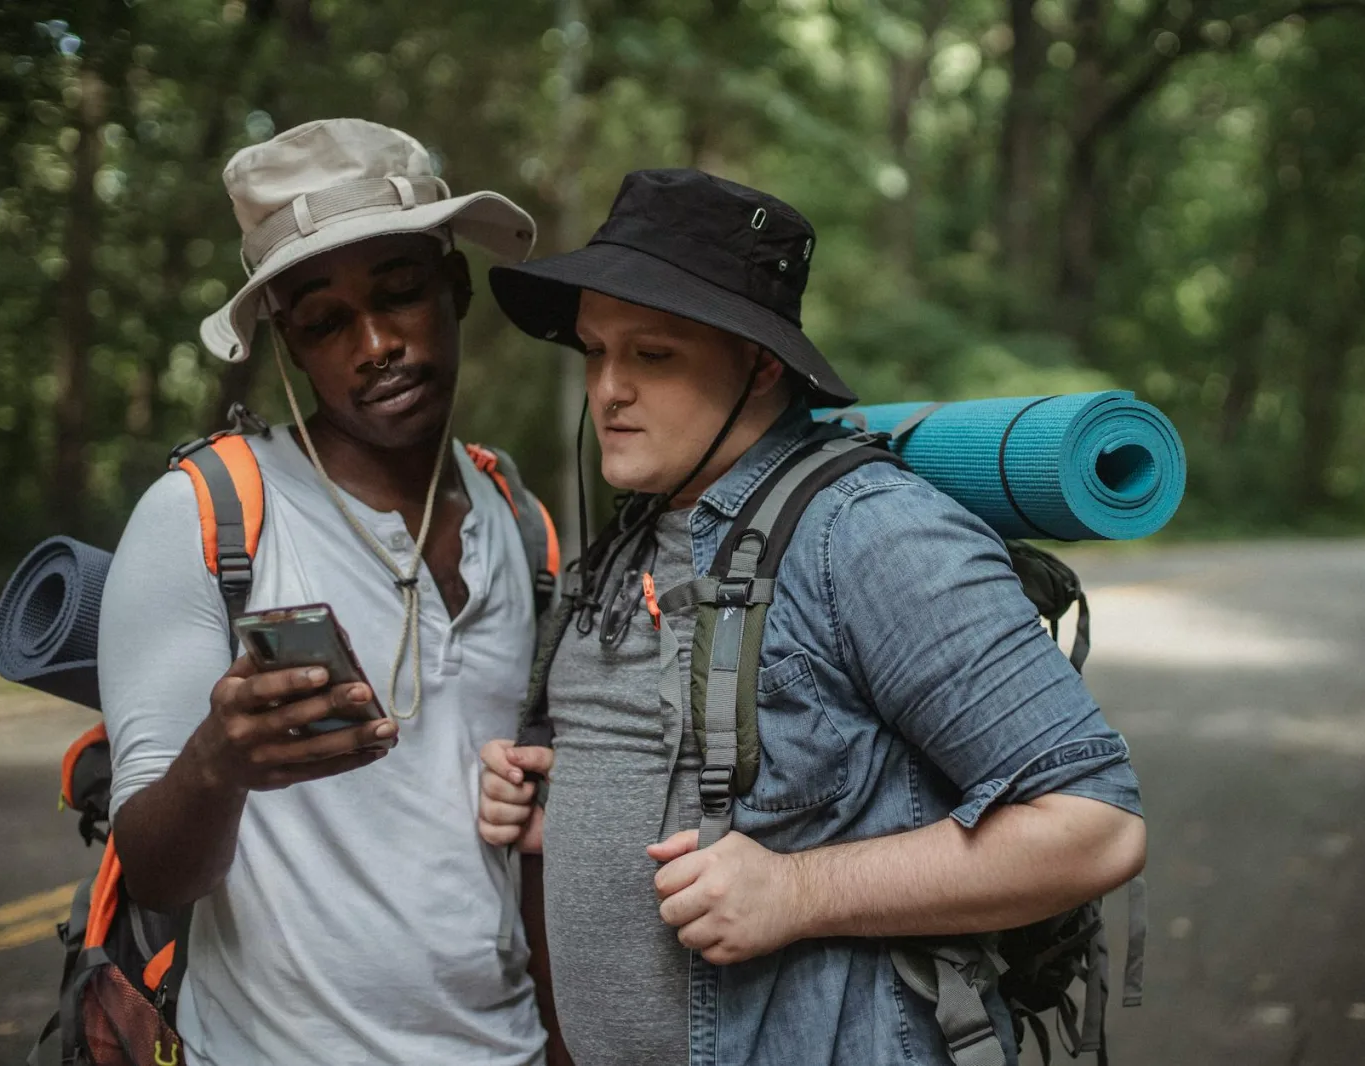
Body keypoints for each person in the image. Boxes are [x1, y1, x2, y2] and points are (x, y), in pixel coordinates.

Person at [480, 168, 1146, 1066]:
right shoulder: (639, 530)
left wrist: (798, 892)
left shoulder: (871, 534)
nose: (608, 390)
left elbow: (1095, 825)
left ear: (760, 364)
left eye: (653, 354)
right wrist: (559, 807)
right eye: (597, 351)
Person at [99, 118, 558, 1065]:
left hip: (507, 1045)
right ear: (287, 347)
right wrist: (220, 763)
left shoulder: (520, 520)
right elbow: (152, 872)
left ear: (456, 288)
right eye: (324, 323)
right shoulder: (207, 513)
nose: (377, 343)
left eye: (401, 295)